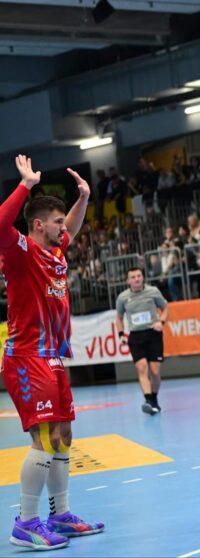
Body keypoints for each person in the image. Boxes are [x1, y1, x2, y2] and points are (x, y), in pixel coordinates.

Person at [0, 155, 103, 550]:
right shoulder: (21, 251)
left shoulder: (56, 252)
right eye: (57, 222)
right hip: (28, 356)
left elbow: (73, 227)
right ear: (39, 225)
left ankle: (60, 515)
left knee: (63, 437)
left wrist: (84, 198)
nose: (66, 228)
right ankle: (25, 523)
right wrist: (25, 185)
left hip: (54, 358)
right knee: (43, 439)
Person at [115, 267, 169, 415]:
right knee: (142, 367)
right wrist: (121, 334)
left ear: (143, 278)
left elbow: (165, 308)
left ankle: (154, 399)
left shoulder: (153, 291)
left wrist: (161, 322)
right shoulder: (123, 297)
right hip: (136, 336)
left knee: (155, 371)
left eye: (139, 276)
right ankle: (148, 401)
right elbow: (119, 318)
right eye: (133, 277)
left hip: (153, 334)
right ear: (128, 281)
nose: (136, 279)